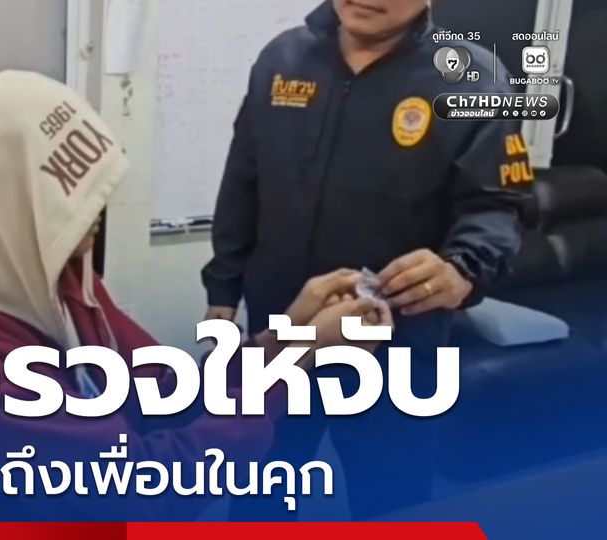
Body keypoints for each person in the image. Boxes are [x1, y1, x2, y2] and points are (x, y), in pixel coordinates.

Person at [0, 70, 393, 521]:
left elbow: (167, 390)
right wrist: (298, 360)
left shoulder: (64, 284)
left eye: (96, 193)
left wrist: (284, 338)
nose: (95, 214)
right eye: (70, 200)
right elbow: (139, 490)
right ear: (13, 202)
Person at [202, 0, 527, 519]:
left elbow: (499, 206)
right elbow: (243, 179)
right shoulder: (282, 59)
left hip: (398, 350)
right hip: (284, 331)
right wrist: (223, 287)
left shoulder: (474, 79)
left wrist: (462, 269)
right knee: (260, 494)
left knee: (392, 504)